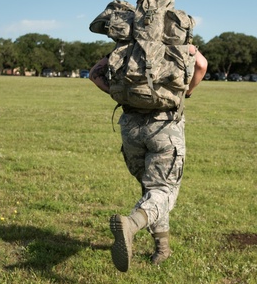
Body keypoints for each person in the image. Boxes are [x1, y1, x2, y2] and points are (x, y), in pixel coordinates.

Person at [89, 44, 208, 272]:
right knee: (163, 191)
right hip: (164, 127)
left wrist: (121, 94)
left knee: (152, 189)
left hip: (131, 127)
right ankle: (131, 224)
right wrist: (186, 92)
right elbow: (202, 65)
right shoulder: (179, 43)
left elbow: (95, 74)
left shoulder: (127, 45)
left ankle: (162, 248)